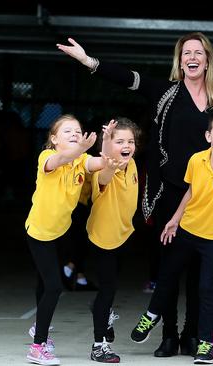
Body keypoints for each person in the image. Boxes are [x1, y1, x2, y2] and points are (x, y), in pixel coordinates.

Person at [57, 32, 213, 357]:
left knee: (197, 271)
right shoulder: (164, 91)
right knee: (169, 268)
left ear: (207, 60)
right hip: (167, 191)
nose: (191, 57)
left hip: (203, 193)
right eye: (185, 53)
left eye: (198, 52)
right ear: (180, 60)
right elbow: (126, 78)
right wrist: (88, 61)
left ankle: (192, 335)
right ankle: (169, 335)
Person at [129, 112, 213, 364]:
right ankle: (152, 315)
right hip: (187, 229)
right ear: (208, 136)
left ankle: (206, 344)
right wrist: (174, 219)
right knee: (166, 277)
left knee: (206, 289)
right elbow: (191, 190)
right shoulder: (196, 159)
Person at [24, 114, 105, 365]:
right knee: (54, 286)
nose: (74, 134)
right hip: (39, 232)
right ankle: (37, 347)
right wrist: (80, 149)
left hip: (60, 231)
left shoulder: (81, 160)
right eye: (67, 131)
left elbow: (101, 163)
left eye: (78, 131)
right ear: (54, 139)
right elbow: (61, 159)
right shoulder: (47, 157)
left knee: (44, 284)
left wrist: (113, 142)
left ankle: (40, 330)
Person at [85, 118, 141, 363]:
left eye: (130, 141)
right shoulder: (104, 170)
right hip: (102, 239)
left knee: (109, 291)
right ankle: (99, 346)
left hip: (124, 235)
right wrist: (107, 143)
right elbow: (108, 170)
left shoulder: (133, 164)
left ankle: (102, 311)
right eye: (120, 141)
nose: (126, 145)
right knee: (108, 290)